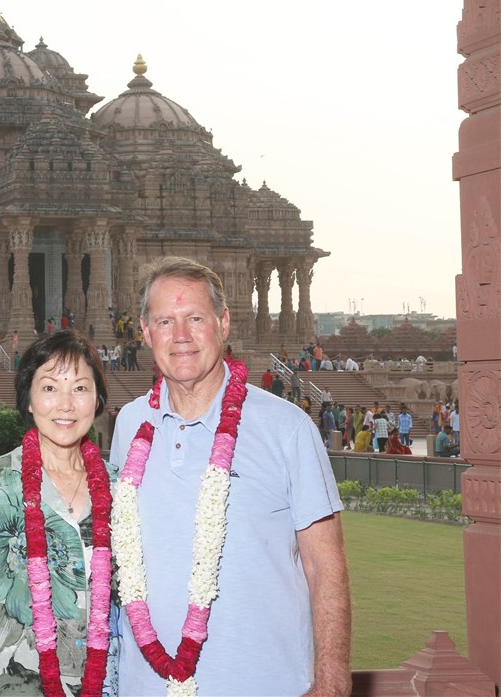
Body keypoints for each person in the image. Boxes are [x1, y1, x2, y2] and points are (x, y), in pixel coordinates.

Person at [111, 257, 349, 695]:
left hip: (264, 681)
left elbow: (324, 564)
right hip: (146, 683)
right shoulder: (129, 425)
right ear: (145, 332)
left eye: (195, 318)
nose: (180, 336)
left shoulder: (287, 427)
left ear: (223, 324)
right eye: (165, 321)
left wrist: (333, 679)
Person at [0, 329, 119, 696]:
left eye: (80, 388)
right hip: (16, 682)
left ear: (97, 399)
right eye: (50, 388)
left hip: (108, 681)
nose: (66, 404)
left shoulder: (121, 488)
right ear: (29, 400)